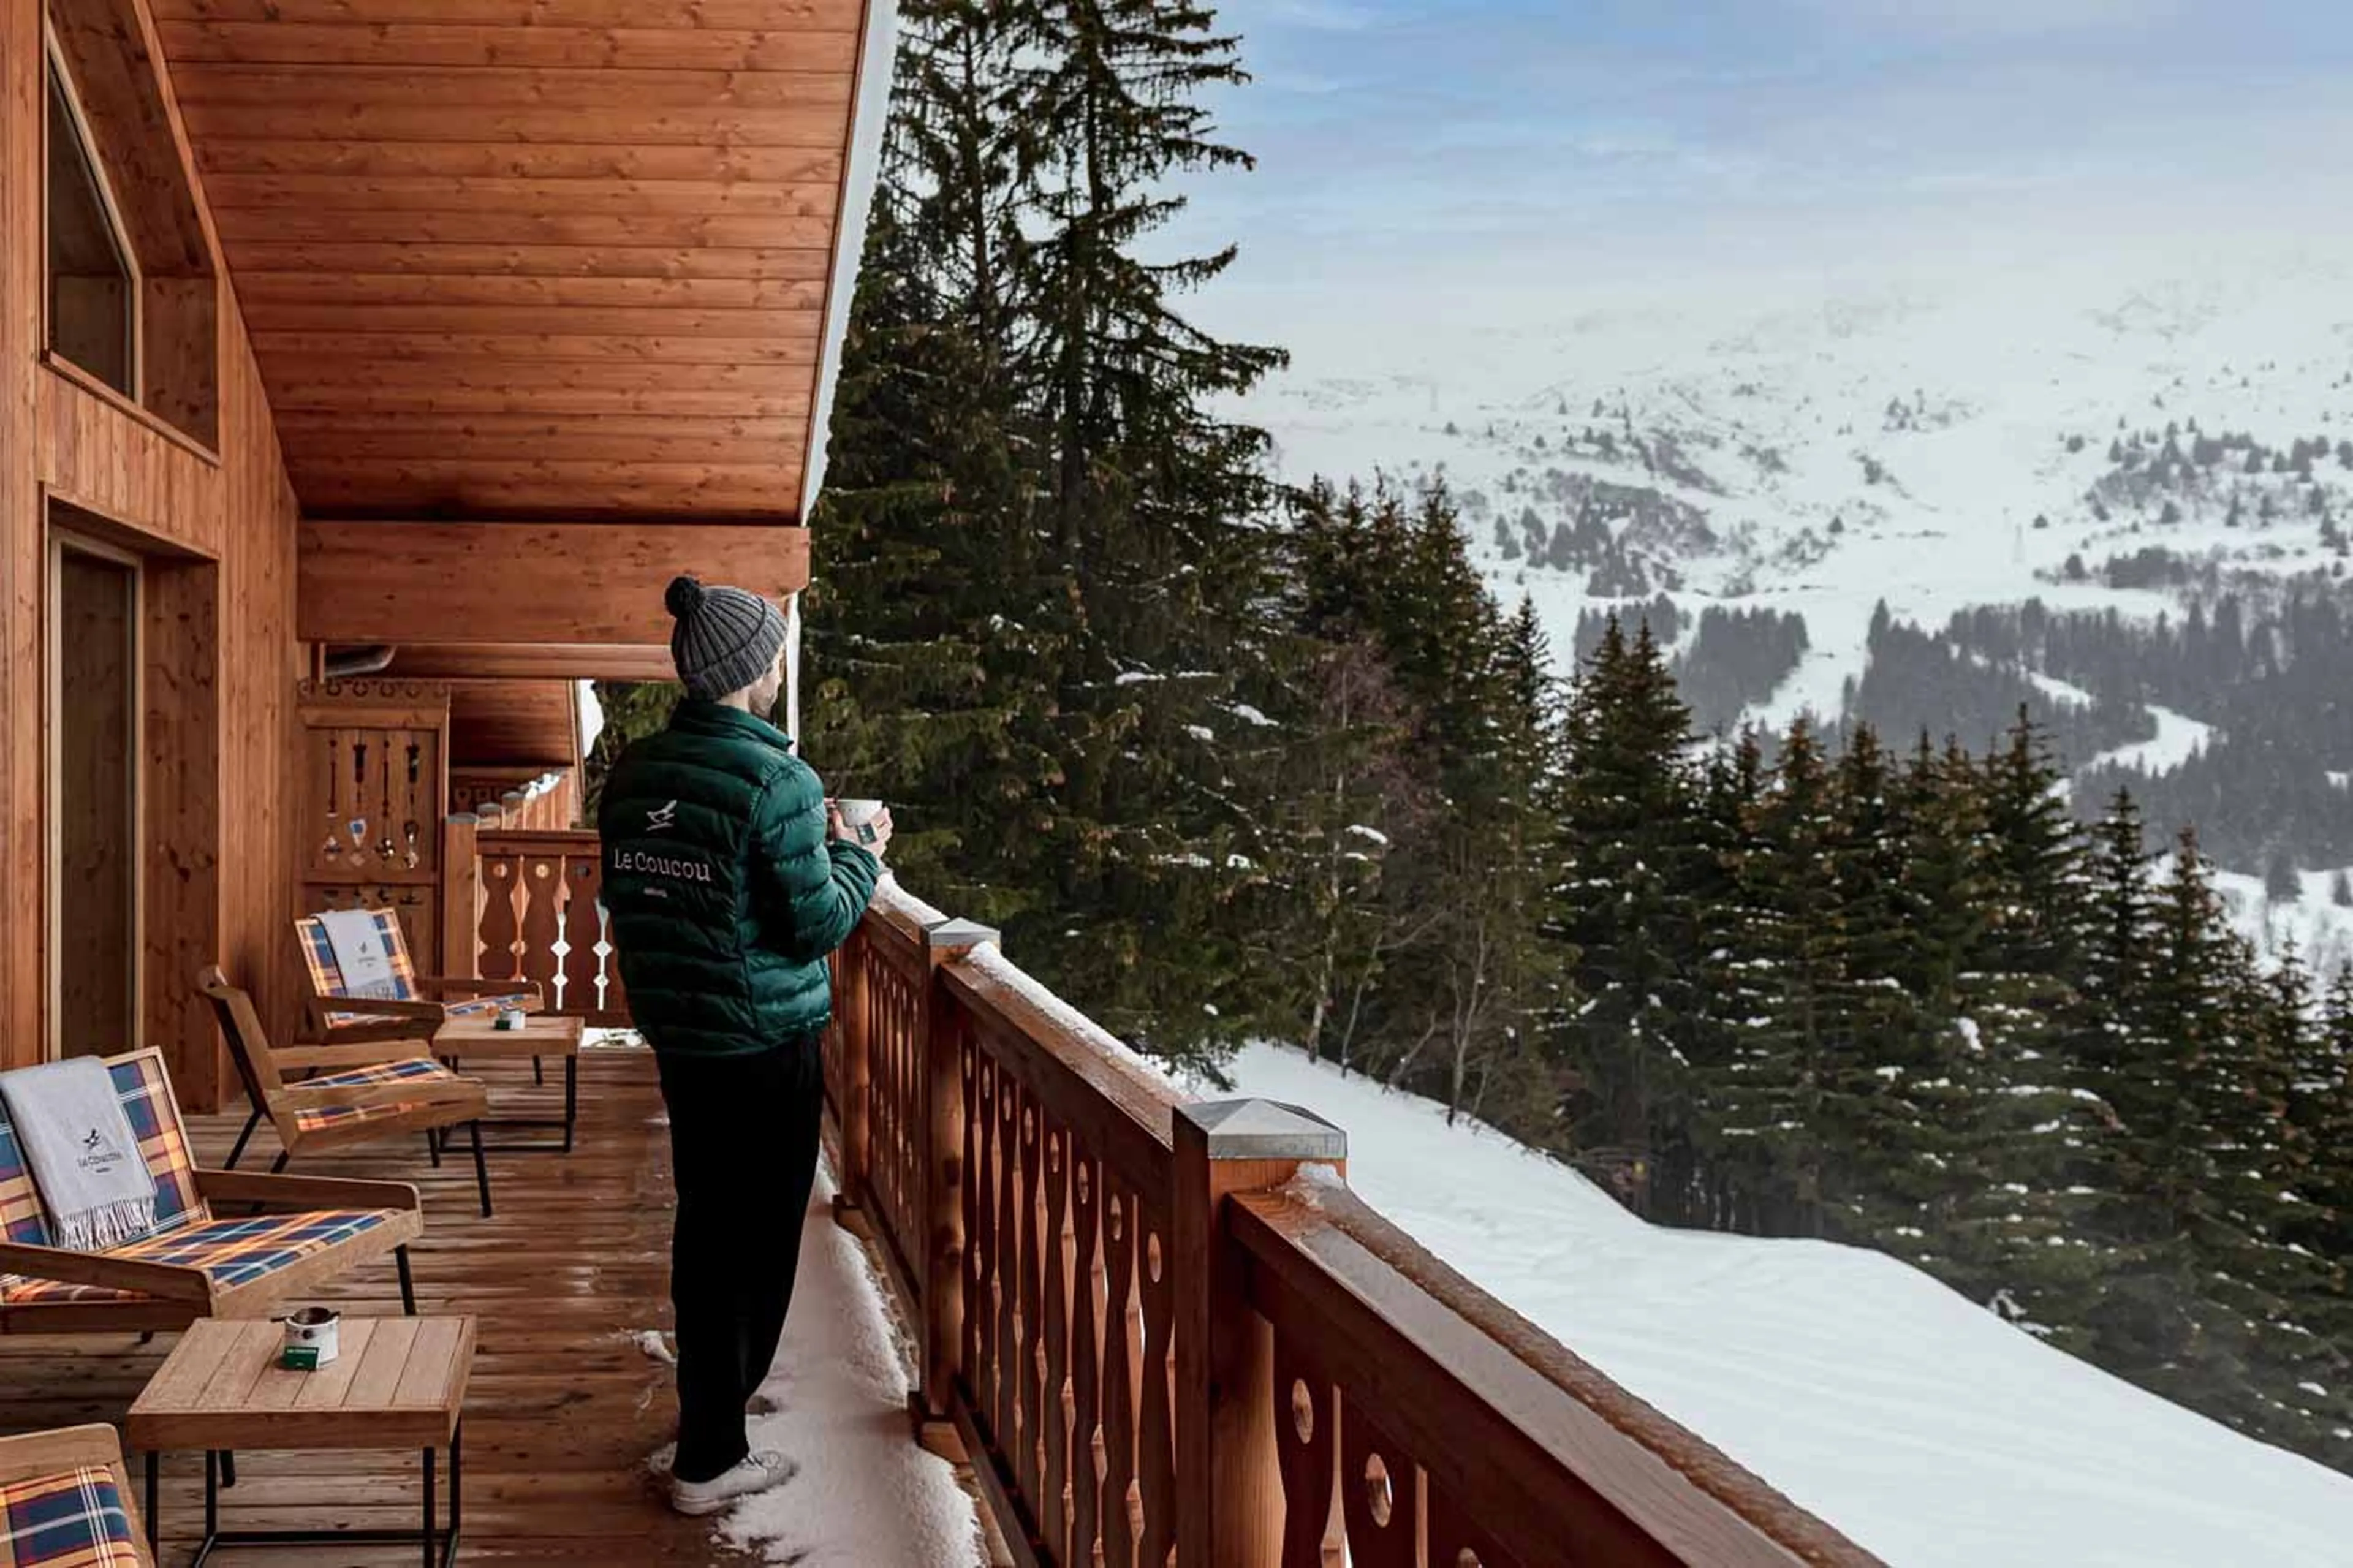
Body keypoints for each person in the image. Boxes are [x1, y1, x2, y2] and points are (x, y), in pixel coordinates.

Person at [597, 574, 892, 1515]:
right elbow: (815, 924)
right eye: (772, 654)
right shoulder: (779, 780)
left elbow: (642, 898)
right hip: (764, 1044)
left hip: (685, 1040)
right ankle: (712, 1456)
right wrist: (862, 852)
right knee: (755, 1245)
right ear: (753, 670)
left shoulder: (637, 772)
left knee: (706, 1230)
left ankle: (706, 1430)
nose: (776, 666)